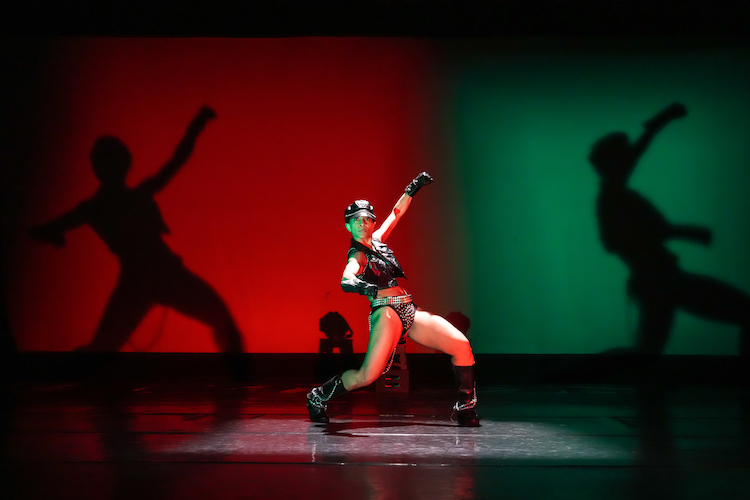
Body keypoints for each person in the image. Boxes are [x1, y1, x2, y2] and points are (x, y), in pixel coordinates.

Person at [29, 107, 246, 366]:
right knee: (219, 318)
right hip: (158, 275)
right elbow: (176, 162)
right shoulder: (118, 201)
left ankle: (237, 374)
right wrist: (195, 128)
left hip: (150, 277)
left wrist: (54, 235)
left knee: (104, 347)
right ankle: (238, 374)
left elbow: (176, 161)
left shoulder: (99, 206)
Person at [306, 172, 480, 426]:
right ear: (348, 226)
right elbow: (347, 278)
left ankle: (466, 407)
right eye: (356, 220)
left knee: (461, 345)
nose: (362, 223)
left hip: (407, 308)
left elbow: (396, 214)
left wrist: (412, 188)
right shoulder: (357, 255)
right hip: (386, 312)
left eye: (367, 219)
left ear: (372, 223)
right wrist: (364, 287)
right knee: (367, 375)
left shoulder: (378, 242)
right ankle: (317, 397)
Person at [590, 102, 750, 356]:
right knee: (646, 354)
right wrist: (683, 232)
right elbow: (615, 241)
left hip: (660, 279)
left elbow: (634, 156)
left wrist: (658, 123)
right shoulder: (615, 199)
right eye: (624, 153)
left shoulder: (615, 196)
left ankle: (573, 378)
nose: (631, 157)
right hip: (661, 281)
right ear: (612, 162)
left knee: (646, 353)